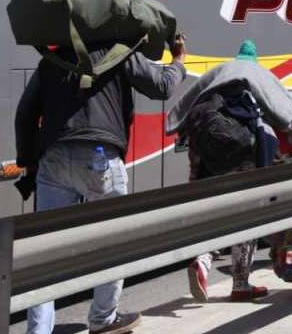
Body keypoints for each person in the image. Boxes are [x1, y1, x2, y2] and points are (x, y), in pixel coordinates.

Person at [15, 34, 187, 334]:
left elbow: (25, 113)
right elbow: (161, 86)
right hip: (100, 158)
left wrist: (28, 161)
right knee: (113, 240)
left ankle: (38, 330)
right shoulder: (120, 53)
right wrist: (178, 60)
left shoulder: (52, 59)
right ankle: (103, 319)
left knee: (45, 251)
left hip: (53, 158)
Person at [178, 40, 292, 303]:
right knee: (246, 217)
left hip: (207, 155)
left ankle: (202, 260)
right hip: (241, 153)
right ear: (254, 59)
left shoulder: (215, 76)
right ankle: (240, 284)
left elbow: (182, 113)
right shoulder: (255, 75)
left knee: (215, 212)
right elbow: (281, 114)